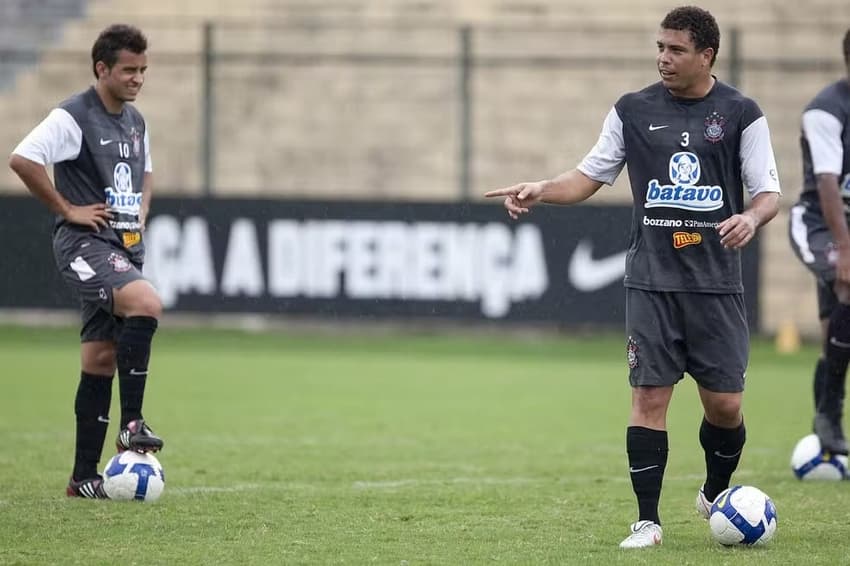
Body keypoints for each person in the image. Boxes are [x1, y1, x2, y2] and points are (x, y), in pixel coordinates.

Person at [485, 6, 781, 548]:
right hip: (651, 281)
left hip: (716, 285)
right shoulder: (632, 110)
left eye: (676, 50)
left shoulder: (742, 113)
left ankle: (716, 488)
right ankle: (647, 521)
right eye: (660, 48)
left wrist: (751, 217)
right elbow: (588, 176)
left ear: (706, 55)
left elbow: (768, 192)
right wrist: (539, 189)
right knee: (649, 397)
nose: (664, 59)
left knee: (726, 406)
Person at [8, 24, 164, 499]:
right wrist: (67, 210)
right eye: (128, 70)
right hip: (84, 245)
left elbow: (146, 174)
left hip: (121, 246)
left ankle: (82, 478)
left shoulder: (135, 122)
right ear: (102, 69)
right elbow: (23, 158)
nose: (137, 79)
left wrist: (139, 215)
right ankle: (131, 424)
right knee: (146, 303)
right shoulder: (73, 116)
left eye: (142, 70)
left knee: (99, 359)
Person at [788, 29, 850, 456]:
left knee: (834, 326)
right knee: (848, 285)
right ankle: (829, 411)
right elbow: (827, 184)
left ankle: (826, 413)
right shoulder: (826, 111)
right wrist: (845, 250)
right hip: (820, 225)